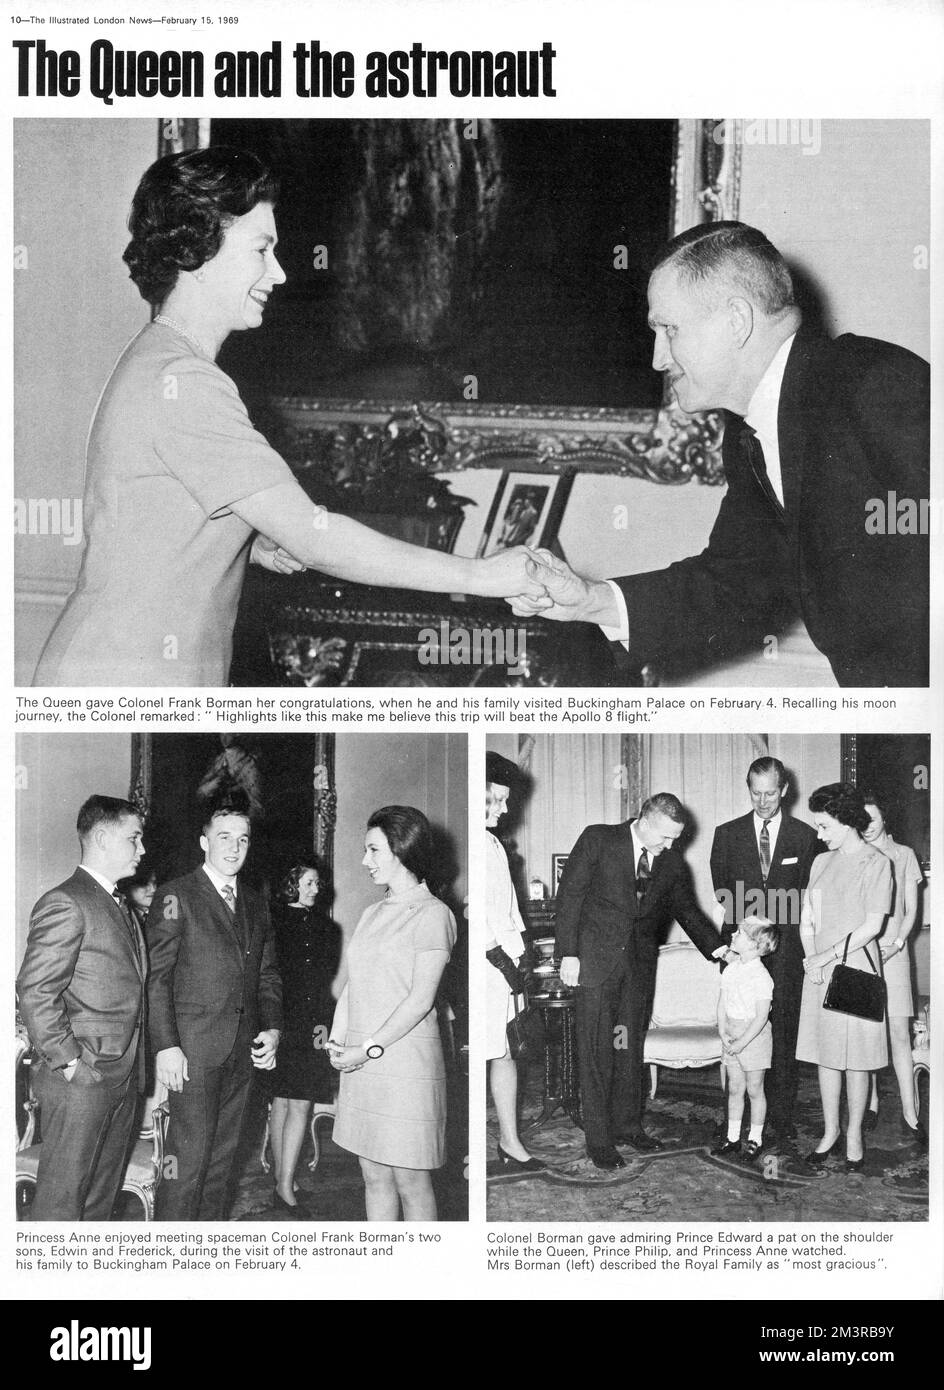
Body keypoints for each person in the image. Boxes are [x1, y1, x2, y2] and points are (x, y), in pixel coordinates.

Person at [32, 146, 544, 687]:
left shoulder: (161, 362)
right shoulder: (188, 385)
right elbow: (316, 537)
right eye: (261, 250)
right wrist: (482, 574)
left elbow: (153, 521)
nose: (277, 273)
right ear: (198, 255)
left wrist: (246, 544)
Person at [509, 221, 929, 688]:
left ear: (736, 321)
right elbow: (735, 582)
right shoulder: (750, 431)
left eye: (669, 329)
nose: (658, 358)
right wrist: (589, 600)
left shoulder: (878, 385)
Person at [554, 793, 722, 1169]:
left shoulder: (670, 861)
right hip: (595, 967)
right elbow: (571, 896)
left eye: (675, 838)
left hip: (637, 971)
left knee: (627, 1048)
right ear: (644, 821)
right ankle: (599, 1141)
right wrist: (567, 954)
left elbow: (687, 909)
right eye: (664, 837)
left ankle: (628, 1127)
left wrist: (719, 949)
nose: (670, 845)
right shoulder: (599, 839)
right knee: (598, 1052)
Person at [147, 793, 282, 1219]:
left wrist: (274, 1028)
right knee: (185, 1169)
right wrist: (166, 1046)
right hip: (192, 1054)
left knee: (221, 1169)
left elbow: (268, 974)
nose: (234, 847)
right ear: (204, 841)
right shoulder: (176, 895)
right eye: (224, 837)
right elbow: (158, 977)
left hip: (243, 1054)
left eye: (242, 839)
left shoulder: (257, 902)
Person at [17, 796, 148, 1219]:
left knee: (98, 1202)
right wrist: (72, 1064)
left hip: (120, 1075)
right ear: (103, 838)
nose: (142, 849)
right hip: (82, 1081)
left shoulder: (117, 903)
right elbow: (36, 990)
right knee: (61, 1204)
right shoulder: (67, 902)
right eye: (134, 838)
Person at [328, 806, 457, 1220]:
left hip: (404, 1063)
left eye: (373, 850)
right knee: (373, 1176)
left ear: (402, 851)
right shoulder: (371, 912)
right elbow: (354, 983)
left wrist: (365, 1048)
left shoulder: (435, 914)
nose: (365, 861)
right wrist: (337, 1037)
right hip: (363, 1059)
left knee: (411, 1183)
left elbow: (420, 1000)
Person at [709, 756, 821, 1150]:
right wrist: (748, 933)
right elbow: (722, 888)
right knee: (739, 1025)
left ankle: (781, 1116)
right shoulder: (727, 834)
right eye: (755, 793)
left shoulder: (805, 836)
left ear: (784, 789)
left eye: (770, 793)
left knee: (784, 1030)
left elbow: (809, 895)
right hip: (742, 950)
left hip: (788, 950)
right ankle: (735, 1118)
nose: (762, 801)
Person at [796, 783, 891, 1173]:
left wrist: (826, 956)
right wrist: (810, 960)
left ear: (847, 821)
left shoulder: (876, 862)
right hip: (819, 971)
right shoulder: (821, 862)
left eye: (824, 827)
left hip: (855, 970)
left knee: (857, 1060)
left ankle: (854, 1135)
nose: (819, 835)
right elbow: (808, 919)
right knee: (826, 1056)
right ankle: (830, 1131)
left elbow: (871, 926)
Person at [268, 862, 341, 1213]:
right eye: (308, 882)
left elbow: (324, 978)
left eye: (317, 883)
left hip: (315, 1024)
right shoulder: (274, 923)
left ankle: (284, 1182)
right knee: (283, 1102)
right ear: (292, 884)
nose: (315, 888)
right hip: (282, 1021)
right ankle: (284, 1184)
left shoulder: (329, 927)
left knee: (299, 1101)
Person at [484, 751, 544, 1171]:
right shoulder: (477, 843)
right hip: (488, 969)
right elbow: (480, 918)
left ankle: (509, 1141)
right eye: (497, 800)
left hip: (504, 968)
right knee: (489, 1053)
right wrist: (506, 966)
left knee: (505, 1052)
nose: (505, 809)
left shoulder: (492, 843)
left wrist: (524, 957)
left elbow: (507, 911)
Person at [861, 789, 925, 1145]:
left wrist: (898, 942)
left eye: (873, 818)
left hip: (895, 954)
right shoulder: (857, 856)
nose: (867, 826)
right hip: (864, 955)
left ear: (886, 817)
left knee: (899, 1034)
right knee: (868, 1033)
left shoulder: (904, 855)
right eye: (861, 819)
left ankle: (910, 1113)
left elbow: (911, 909)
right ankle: (869, 1104)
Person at [711, 916, 780, 1162]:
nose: (733, 935)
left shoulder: (761, 977)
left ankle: (756, 1138)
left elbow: (761, 1017)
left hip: (754, 1037)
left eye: (739, 933)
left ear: (754, 944)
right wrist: (722, 1031)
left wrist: (742, 1042)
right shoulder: (730, 969)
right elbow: (722, 1005)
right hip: (731, 1033)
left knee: (754, 1089)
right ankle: (732, 1137)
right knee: (735, 1088)